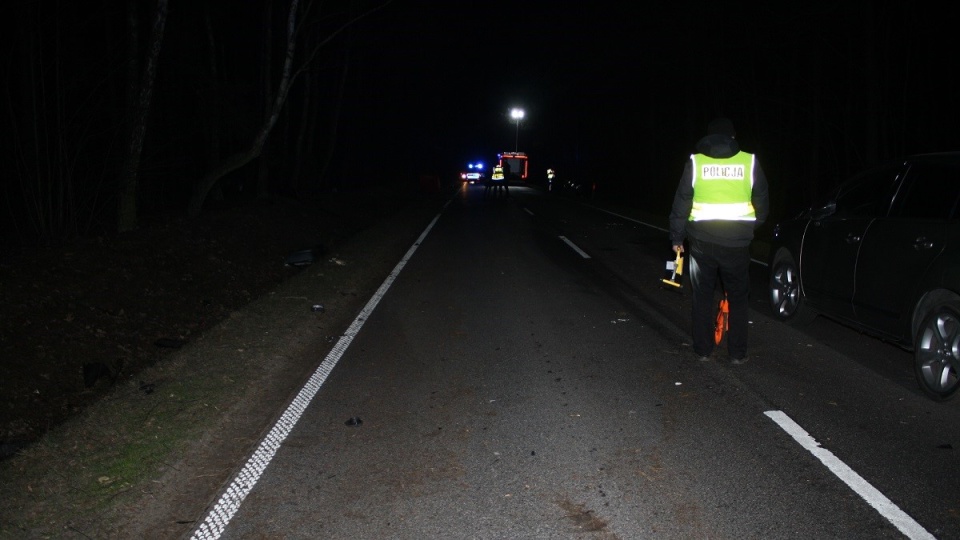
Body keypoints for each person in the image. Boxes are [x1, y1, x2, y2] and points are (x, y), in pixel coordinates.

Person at [668, 117, 769, 364]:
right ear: (733, 137)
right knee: (738, 298)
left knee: (701, 296)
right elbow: (763, 202)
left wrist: (677, 237)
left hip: (702, 242)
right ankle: (737, 354)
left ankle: (703, 350)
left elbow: (681, 203)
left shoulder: (696, 163)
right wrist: (749, 226)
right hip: (737, 243)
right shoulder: (749, 161)